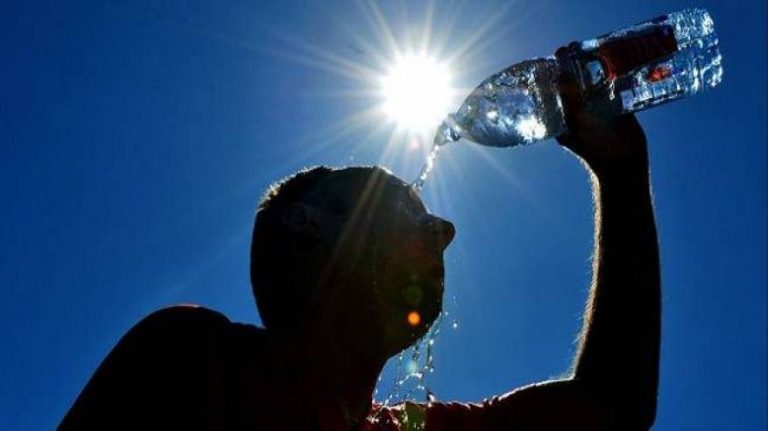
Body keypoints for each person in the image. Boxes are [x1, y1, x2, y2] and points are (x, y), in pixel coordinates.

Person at [60, 64, 660, 431]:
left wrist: (622, 175)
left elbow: (612, 406)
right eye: (400, 206)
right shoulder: (194, 361)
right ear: (307, 227)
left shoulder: (408, 429)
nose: (445, 231)